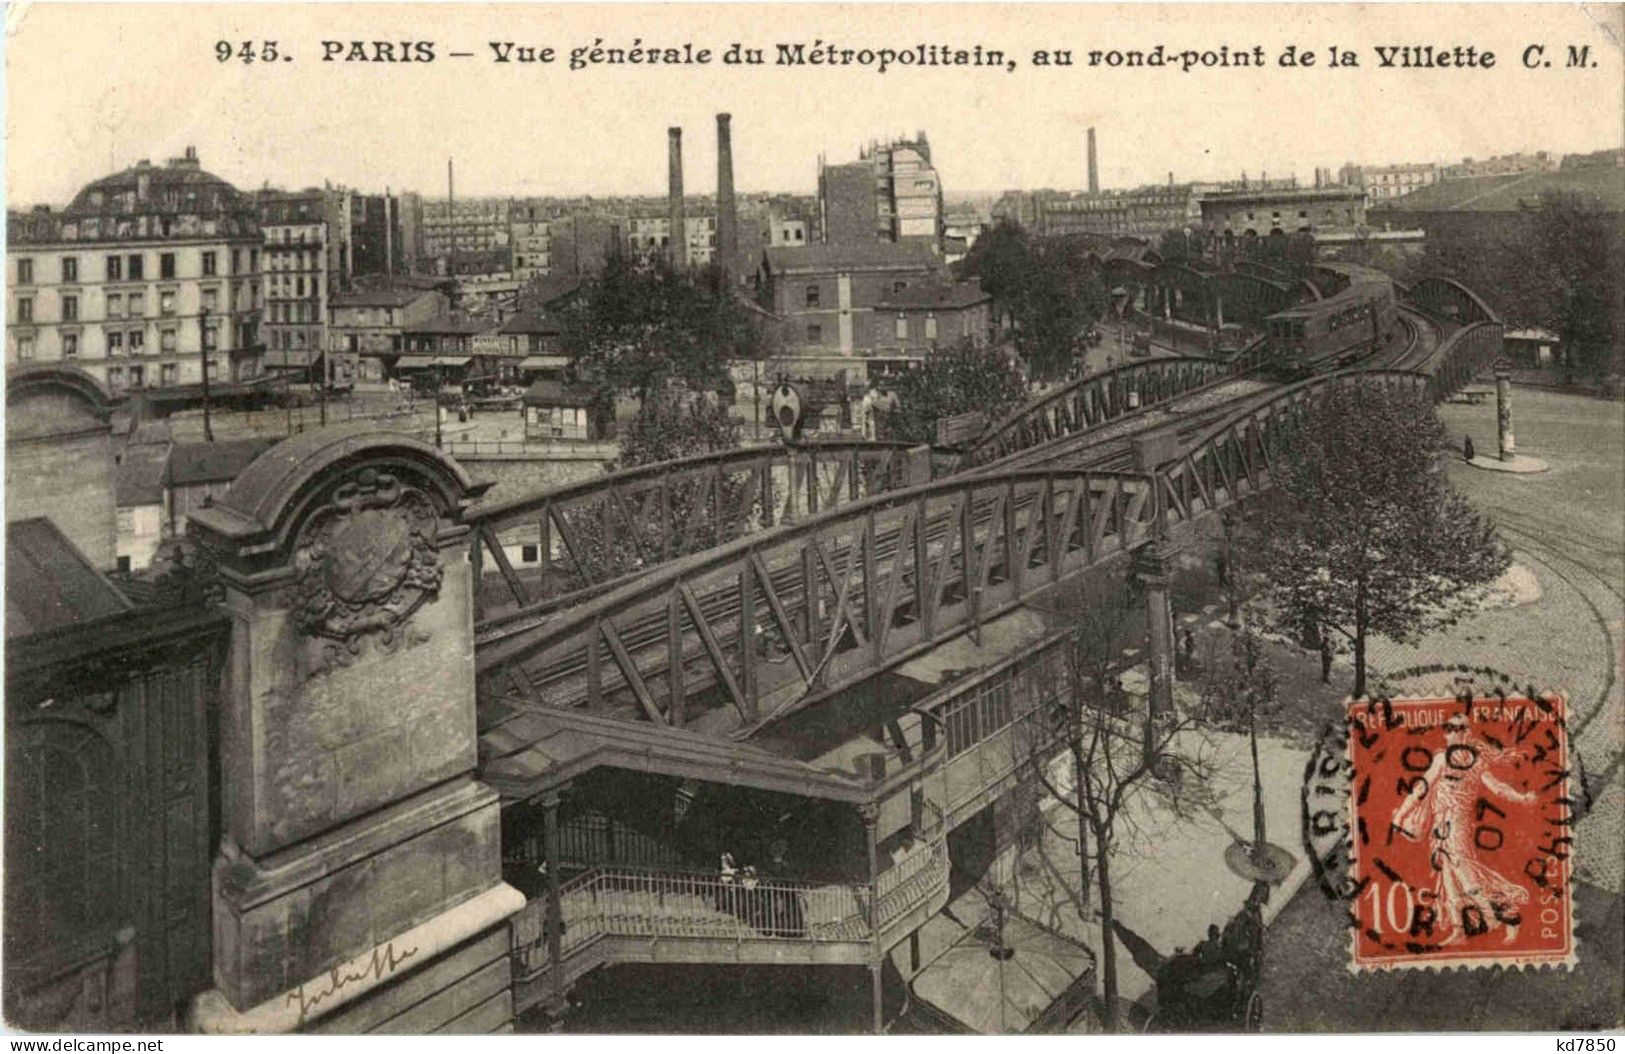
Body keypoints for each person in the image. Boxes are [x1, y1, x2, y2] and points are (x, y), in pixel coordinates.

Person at [1391, 715, 1535, 944]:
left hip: (1458, 825)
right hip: (1440, 825)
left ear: (1466, 733)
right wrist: (1401, 813)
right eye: (1448, 728)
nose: (1450, 733)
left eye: (1456, 728)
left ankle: (1507, 919)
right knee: (1448, 879)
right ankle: (1459, 931)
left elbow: (1497, 788)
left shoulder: (1476, 763)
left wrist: (1523, 798)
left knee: (1468, 878)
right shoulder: (1441, 759)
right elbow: (1422, 787)